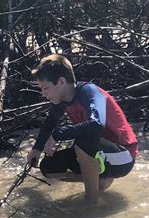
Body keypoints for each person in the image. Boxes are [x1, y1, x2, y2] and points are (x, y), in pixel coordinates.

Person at [27, 54, 138, 205]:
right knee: (48, 167)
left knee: (84, 140)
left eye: (45, 88)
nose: (43, 93)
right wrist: (37, 149)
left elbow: (96, 124)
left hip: (124, 156)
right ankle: (100, 180)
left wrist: (58, 134)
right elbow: (51, 121)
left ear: (61, 82)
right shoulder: (62, 99)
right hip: (98, 153)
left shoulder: (89, 92)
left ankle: (91, 204)